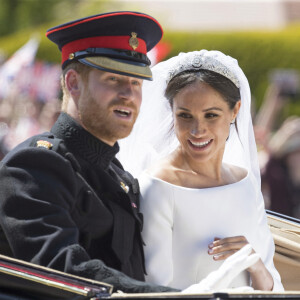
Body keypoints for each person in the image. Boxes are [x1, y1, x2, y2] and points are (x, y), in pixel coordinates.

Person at [0, 13, 258, 295]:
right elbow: (63, 270)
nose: (128, 94)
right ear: (73, 83)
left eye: (136, 82)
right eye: (113, 79)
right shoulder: (33, 166)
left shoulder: (120, 176)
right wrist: (169, 297)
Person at [118, 50, 284, 291]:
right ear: (172, 114)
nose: (198, 130)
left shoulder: (244, 183)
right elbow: (156, 291)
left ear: (234, 111)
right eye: (185, 116)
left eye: (211, 115)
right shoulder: (157, 187)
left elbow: (270, 285)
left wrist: (256, 266)